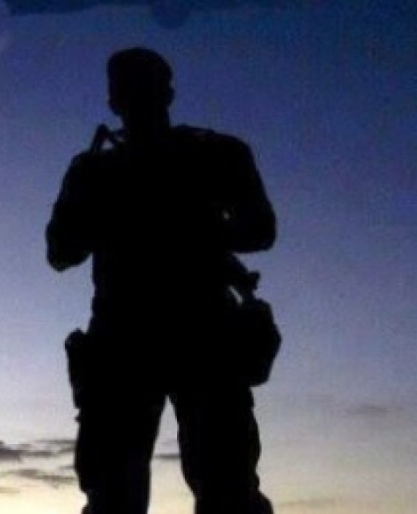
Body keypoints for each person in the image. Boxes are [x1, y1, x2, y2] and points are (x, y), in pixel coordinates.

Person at [46, 47, 277, 514]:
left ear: (167, 93)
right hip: (127, 338)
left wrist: (199, 232)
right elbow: (61, 252)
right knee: (114, 496)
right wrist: (105, 213)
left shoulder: (216, 153)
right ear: (114, 100)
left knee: (227, 490)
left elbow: (261, 229)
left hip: (200, 332)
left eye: (143, 87)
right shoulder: (93, 169)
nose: (136, 99)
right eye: (127, 89)